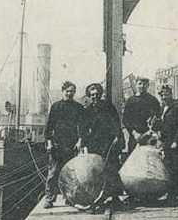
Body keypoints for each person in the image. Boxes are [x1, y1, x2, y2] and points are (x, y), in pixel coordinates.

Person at [81, 83, 126, 203]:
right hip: (94, 144)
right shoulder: (88, 110)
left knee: (112, 167)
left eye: (96, 94)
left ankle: (115, 196)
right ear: (89, 96)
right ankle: (98, 196)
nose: (94, 96)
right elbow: (84, 128)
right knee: (96, 170)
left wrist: (117, 136)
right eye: (92, 95)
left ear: (100, 94)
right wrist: (84, 144)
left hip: (109, 142)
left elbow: (116, 122)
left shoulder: (108, 106)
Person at [43, 81, 84, 209]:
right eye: (67, 91)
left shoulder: (78, 107)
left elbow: (82, 126)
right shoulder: (56, 106)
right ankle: (49, 199)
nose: (70, 93)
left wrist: (80, 141)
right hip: (57, 145)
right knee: (53, 173)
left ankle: (69, 198)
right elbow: (49, 126)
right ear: (63, 91)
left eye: (72, 91)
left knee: (71, 173)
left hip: (71, 145)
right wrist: (49, 142)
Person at [155, 84, 178, 206]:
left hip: (176, 142)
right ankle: (172, 196)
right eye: (162, 94)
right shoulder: (162, 108)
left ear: (171, 94)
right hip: (166, 142)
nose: (164, 96)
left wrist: (176, 141)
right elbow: (161, 125)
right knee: (169, 169)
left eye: (167, 94)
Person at [122, 77, 161, 155]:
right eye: (140, 83)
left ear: (148, 85)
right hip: (135, 137)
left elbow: (158, 117)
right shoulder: (131, 101)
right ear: (136, 85)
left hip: (149, 137)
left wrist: (152, 131)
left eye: (145, 84)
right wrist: (133, 133)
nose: (142, 86)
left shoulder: (153, 100)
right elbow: (125, 120)